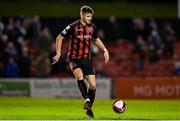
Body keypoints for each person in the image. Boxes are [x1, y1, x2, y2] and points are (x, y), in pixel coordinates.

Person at [52, 5, 109, 118]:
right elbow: (59, 37)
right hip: (74, 58)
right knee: (79, 76)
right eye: (87, 16)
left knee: (92, 85)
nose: (89, 18)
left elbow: (96, 39)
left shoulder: (92, 27)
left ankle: (89, 107)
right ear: (82, 16)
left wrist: (105, 49)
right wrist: (58, 54)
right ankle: (87, 100)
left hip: (86, 59)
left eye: (91, 16)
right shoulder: (72, 26)